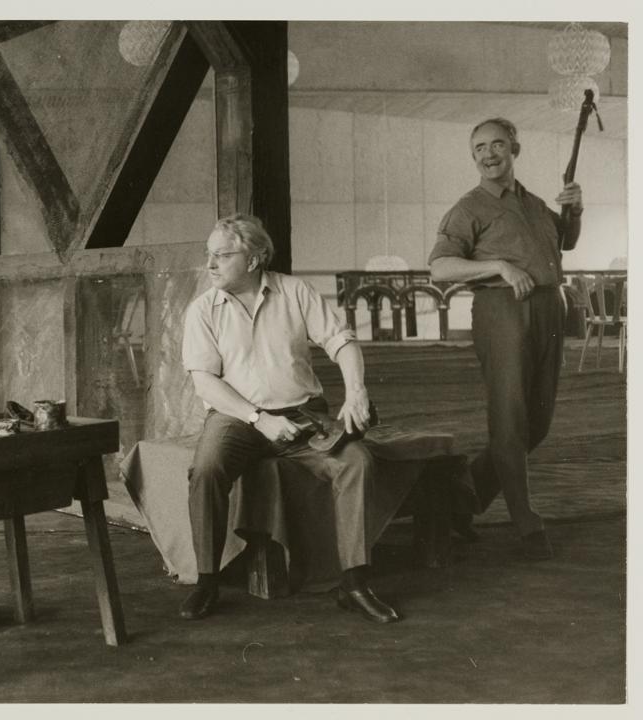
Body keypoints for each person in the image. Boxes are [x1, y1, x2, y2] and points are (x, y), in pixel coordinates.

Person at [179, 214, 399, 624]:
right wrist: (258, 418)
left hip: (302, 415)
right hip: (236, 418)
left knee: (356, 462)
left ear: (254, 259)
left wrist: (356, 391)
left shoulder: (296, 292)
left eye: (222, 255)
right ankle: (206, 582)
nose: (209, 264)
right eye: (209, 254)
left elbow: (341, 342)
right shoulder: (203, 310)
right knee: (206, 469)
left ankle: (354, 583)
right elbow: (205, 382)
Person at [428, 117, 583, 561]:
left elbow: (565, 243)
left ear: (515, 149)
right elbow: (440, 267)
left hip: (549, 307)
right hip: (503, 311)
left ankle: (460, 500)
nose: (488, 154)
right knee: (511, 422)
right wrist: (498, 266)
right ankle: (527, 524)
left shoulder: (532, 203)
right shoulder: (468, 208)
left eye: (497, 144)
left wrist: (575, 210)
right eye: (479, 148)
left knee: (537, 424)